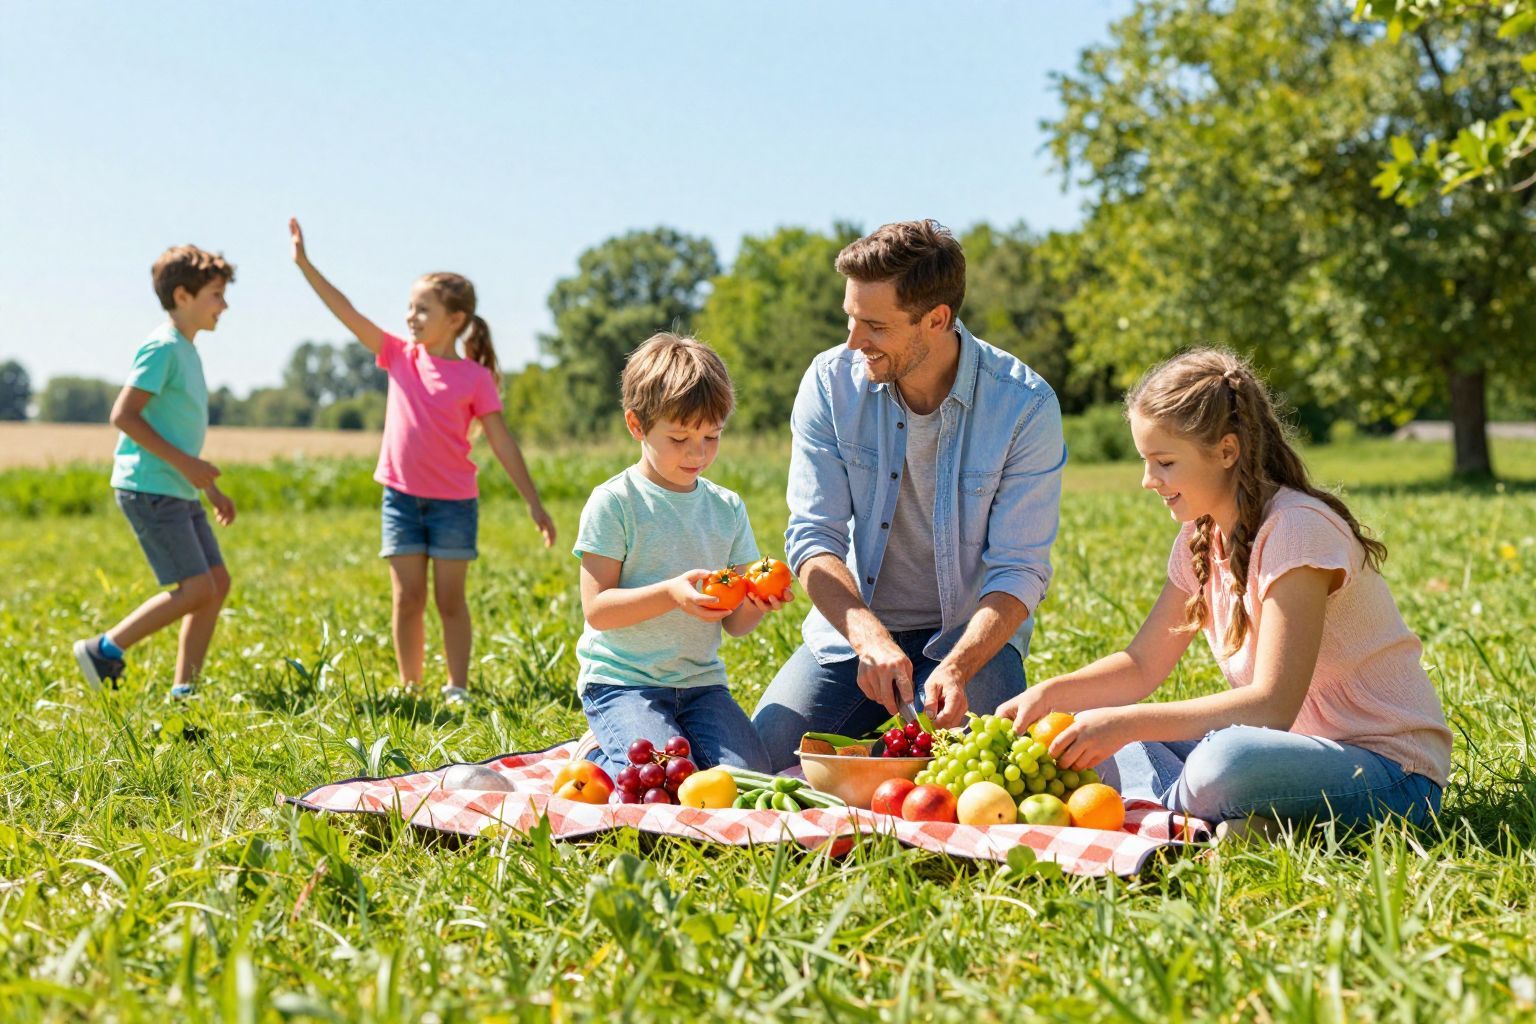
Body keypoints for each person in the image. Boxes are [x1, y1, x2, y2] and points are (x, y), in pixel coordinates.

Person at [1000, 349, 1451, 839]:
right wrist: (1049, 695)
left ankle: (1168, 815)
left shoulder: (1296, 530)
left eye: (1164, 462)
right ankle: (1228, 824)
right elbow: (1142, 665)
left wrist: (1126, 723)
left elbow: (1271, 705)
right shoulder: (1201, 537)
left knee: (1221, 760)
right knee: (1091, 734)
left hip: (1391, 776)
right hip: (1288, 755)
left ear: (1227, 451)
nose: (1148, 481)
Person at [752, 220, 1066, 771]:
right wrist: (868, 639)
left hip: (969, 640)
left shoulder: (1025, 406)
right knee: (759, 762)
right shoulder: (830, 384)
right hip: (854, 638)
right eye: (850, 318)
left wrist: (960, 666)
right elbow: (812, 537)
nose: (853, 341)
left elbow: (1019, 571)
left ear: (937, 319)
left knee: (965, 779)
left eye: (874, 324)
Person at [289, 218, 556, 704]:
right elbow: (346, 312)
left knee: (449, 600)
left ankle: (457, 686)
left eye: (422, 308)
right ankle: (410, 687)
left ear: (455, 319)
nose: (410, 316)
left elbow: (502, 441)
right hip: (401, 500)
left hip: (455, 504)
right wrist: (306, 264)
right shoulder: (398, 355)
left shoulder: (475, 378)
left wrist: (534, 503)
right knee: (407, 598)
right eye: (409, 307)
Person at [574, 333, 791, 776]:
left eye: (711, 436)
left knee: (749, 781)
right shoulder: (615, 502)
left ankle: (655, 736)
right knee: (666, 778)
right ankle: (596, 752)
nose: (698, 452)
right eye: (678, 437)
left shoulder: (725, 507)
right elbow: (598, 610)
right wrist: (671, 594)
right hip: (622, 682)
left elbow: (734, 625)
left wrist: (757, 603)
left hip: (701, 685)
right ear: (637, 426)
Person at [73, 245, 238, 700]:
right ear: (183, 295)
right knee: (197, 587)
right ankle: (104, 648)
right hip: (148, 487)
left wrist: (209, 488)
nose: (224, 305)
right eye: (216, 295)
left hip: (175, 487)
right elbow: (124, 415)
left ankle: (186, 691)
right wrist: (189, 467)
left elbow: (177, 437)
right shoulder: (163, 347)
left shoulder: (186, 350)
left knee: (216, 584)